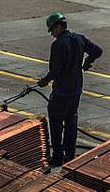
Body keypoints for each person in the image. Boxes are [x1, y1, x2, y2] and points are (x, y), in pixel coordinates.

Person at [37, 12, 103, 168]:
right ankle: (70, 154)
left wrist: (45, 80)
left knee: (56, 124)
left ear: (59, 27)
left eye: (52, 30)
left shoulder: (58, 45)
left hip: (61, 92)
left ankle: (58, 157)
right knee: (71, 121)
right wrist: (88, 60)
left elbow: (56, 69)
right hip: (76, 90)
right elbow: (97, 51)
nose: (52, 34)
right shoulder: (80, 38)